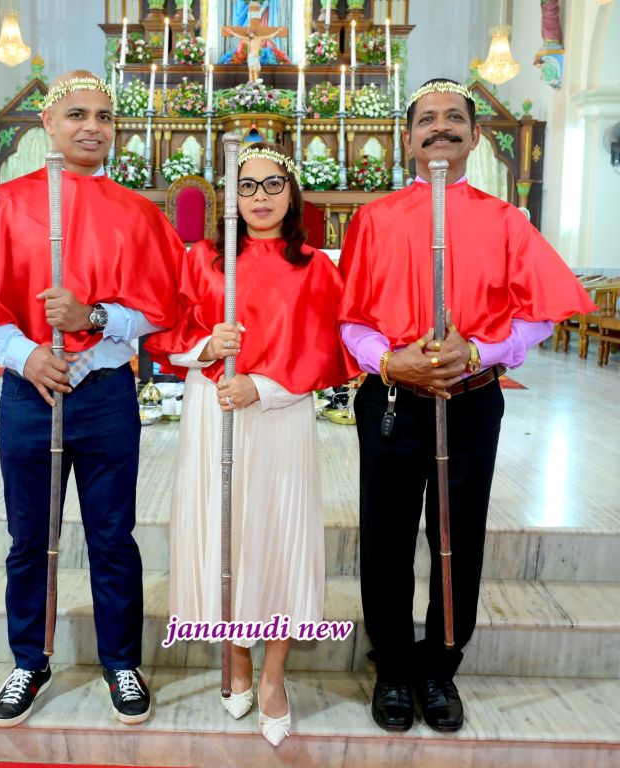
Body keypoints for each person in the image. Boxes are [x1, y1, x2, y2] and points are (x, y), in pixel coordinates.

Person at [338, 79, 595, 733]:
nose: (441, 128)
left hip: (472, 402)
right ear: (408, 138)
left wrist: (481, 351)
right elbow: (350, 319)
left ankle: (440, 666)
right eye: (427, 119)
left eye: (455, 118)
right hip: (393, 400)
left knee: (458, 537)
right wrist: (388, 360)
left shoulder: (507, 221)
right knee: (387, 538)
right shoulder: (374, 220)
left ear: (476, 137)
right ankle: (393, 666)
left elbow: (542, 313)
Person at [0, 71, 184, 727]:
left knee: (113, 535)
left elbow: (156, 310)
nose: (92, 127)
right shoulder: (7, 204)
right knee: (28, 537)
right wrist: (28, 356)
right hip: (30, 394)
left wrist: (93, 320)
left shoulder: (136, 213)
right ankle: (29, 659)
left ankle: (121, 662)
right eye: (78, 114)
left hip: (104, 396)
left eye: (104, 115)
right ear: (49, 123)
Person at [146, 143, 356, 747]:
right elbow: (170, 327)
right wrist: (207, 348)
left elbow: (325, 345)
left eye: (272, 185)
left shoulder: (315, 267)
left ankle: (273, 674)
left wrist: (261, 386)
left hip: (280, 414)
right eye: (246, 186)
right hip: (214, 407)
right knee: (225, 533)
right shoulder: (204, 259)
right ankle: (235, 654)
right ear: (229, 197)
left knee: (279, 533)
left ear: (292, 194)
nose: (259, 197)